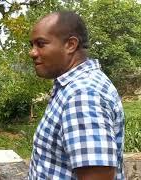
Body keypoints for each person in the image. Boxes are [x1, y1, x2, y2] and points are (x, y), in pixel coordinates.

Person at [28, 11, 124, 179]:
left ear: (70, 45)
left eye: (40, 44)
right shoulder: (72, 88)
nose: (32, 52)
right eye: (32, 45)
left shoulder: (83, 96)